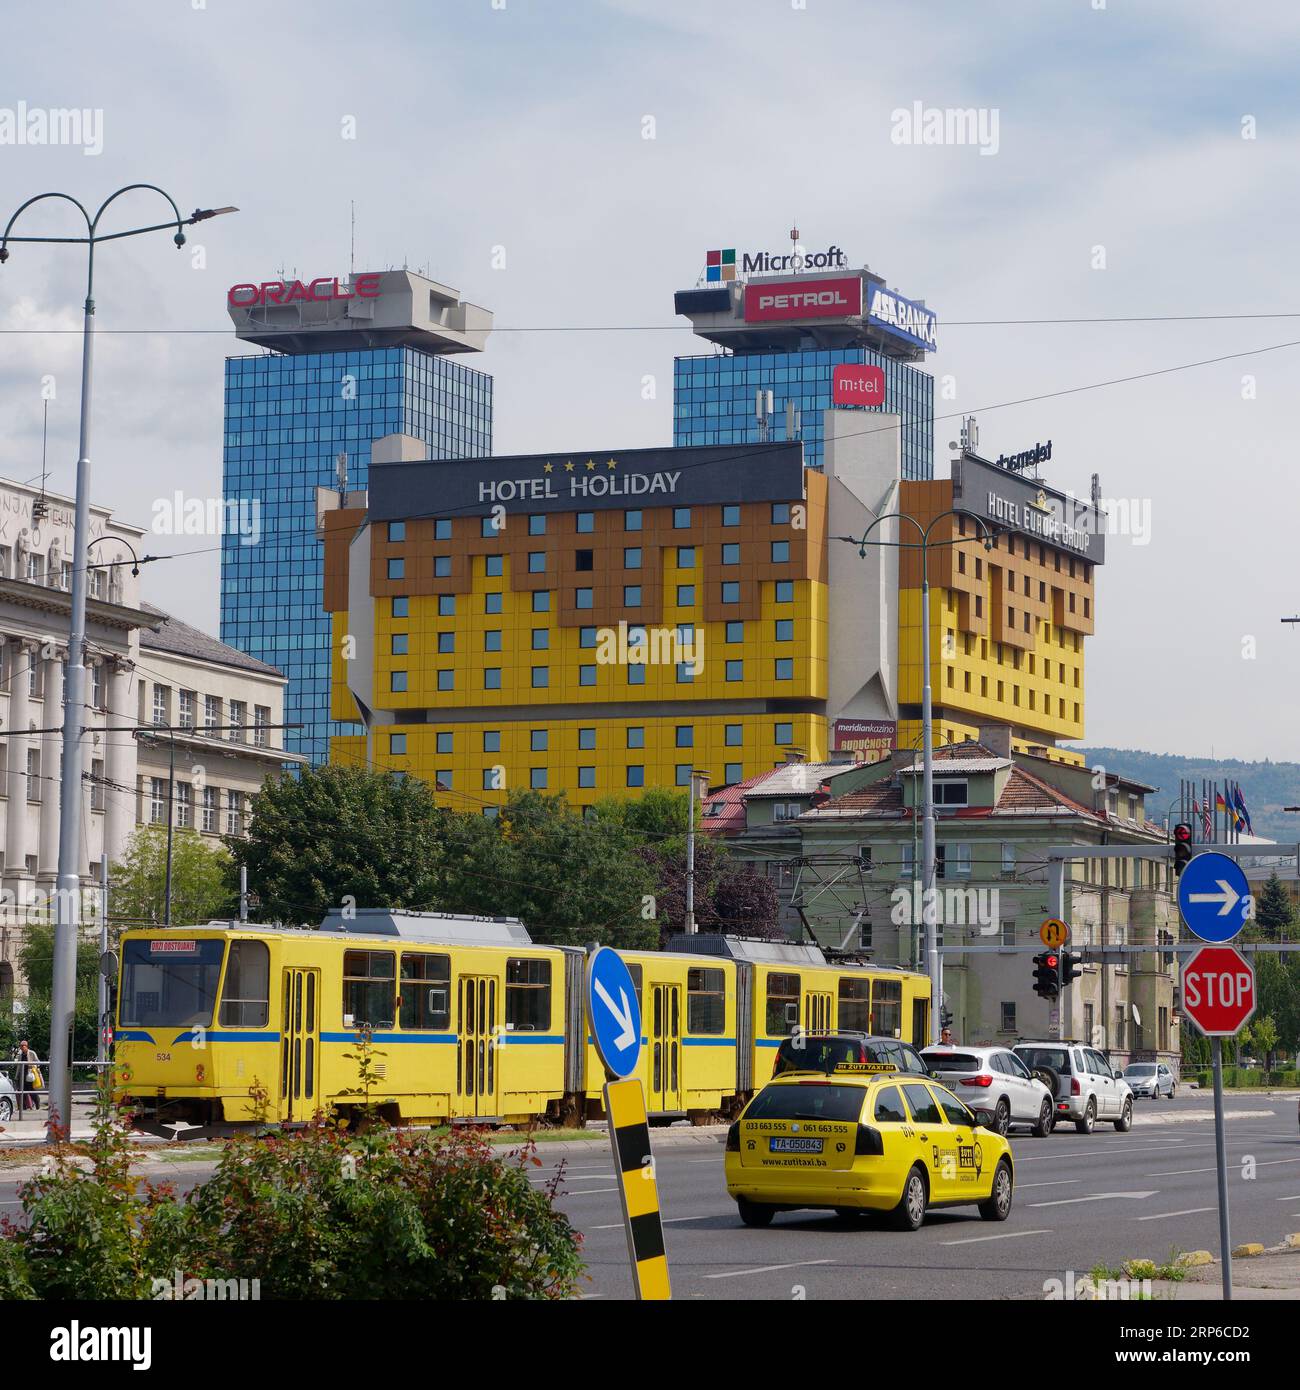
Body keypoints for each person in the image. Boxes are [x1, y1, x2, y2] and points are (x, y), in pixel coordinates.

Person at [13, 1039, 41, 1111]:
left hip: (29, 1074)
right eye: (21, 1046)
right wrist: (16, 1076)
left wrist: (33, 1066)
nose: (21, 1047)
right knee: (22, 1091)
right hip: (22, 1075)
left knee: (31, 1090)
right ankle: (23, 1107)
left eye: (23, 1046)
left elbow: (38, 1062)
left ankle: (37, 1103)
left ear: (26, 1046)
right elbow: (18, 1066)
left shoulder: (32, 1053)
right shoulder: (20, 1055)